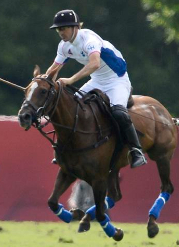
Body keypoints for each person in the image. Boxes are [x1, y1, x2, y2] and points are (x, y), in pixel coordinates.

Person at [41, 9, 146, 168]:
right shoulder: (64, 46)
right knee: (74, 107)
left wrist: (71, 80)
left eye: (63, 28)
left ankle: (136, 150)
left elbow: (95, 63)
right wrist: (41, 83)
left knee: (118, 112)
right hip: (97, 80)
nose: (60, 32)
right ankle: (67, 148)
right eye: (58, 29)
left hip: (117, 79)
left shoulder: (88, 39)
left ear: (75, 27)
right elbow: (54, 69)